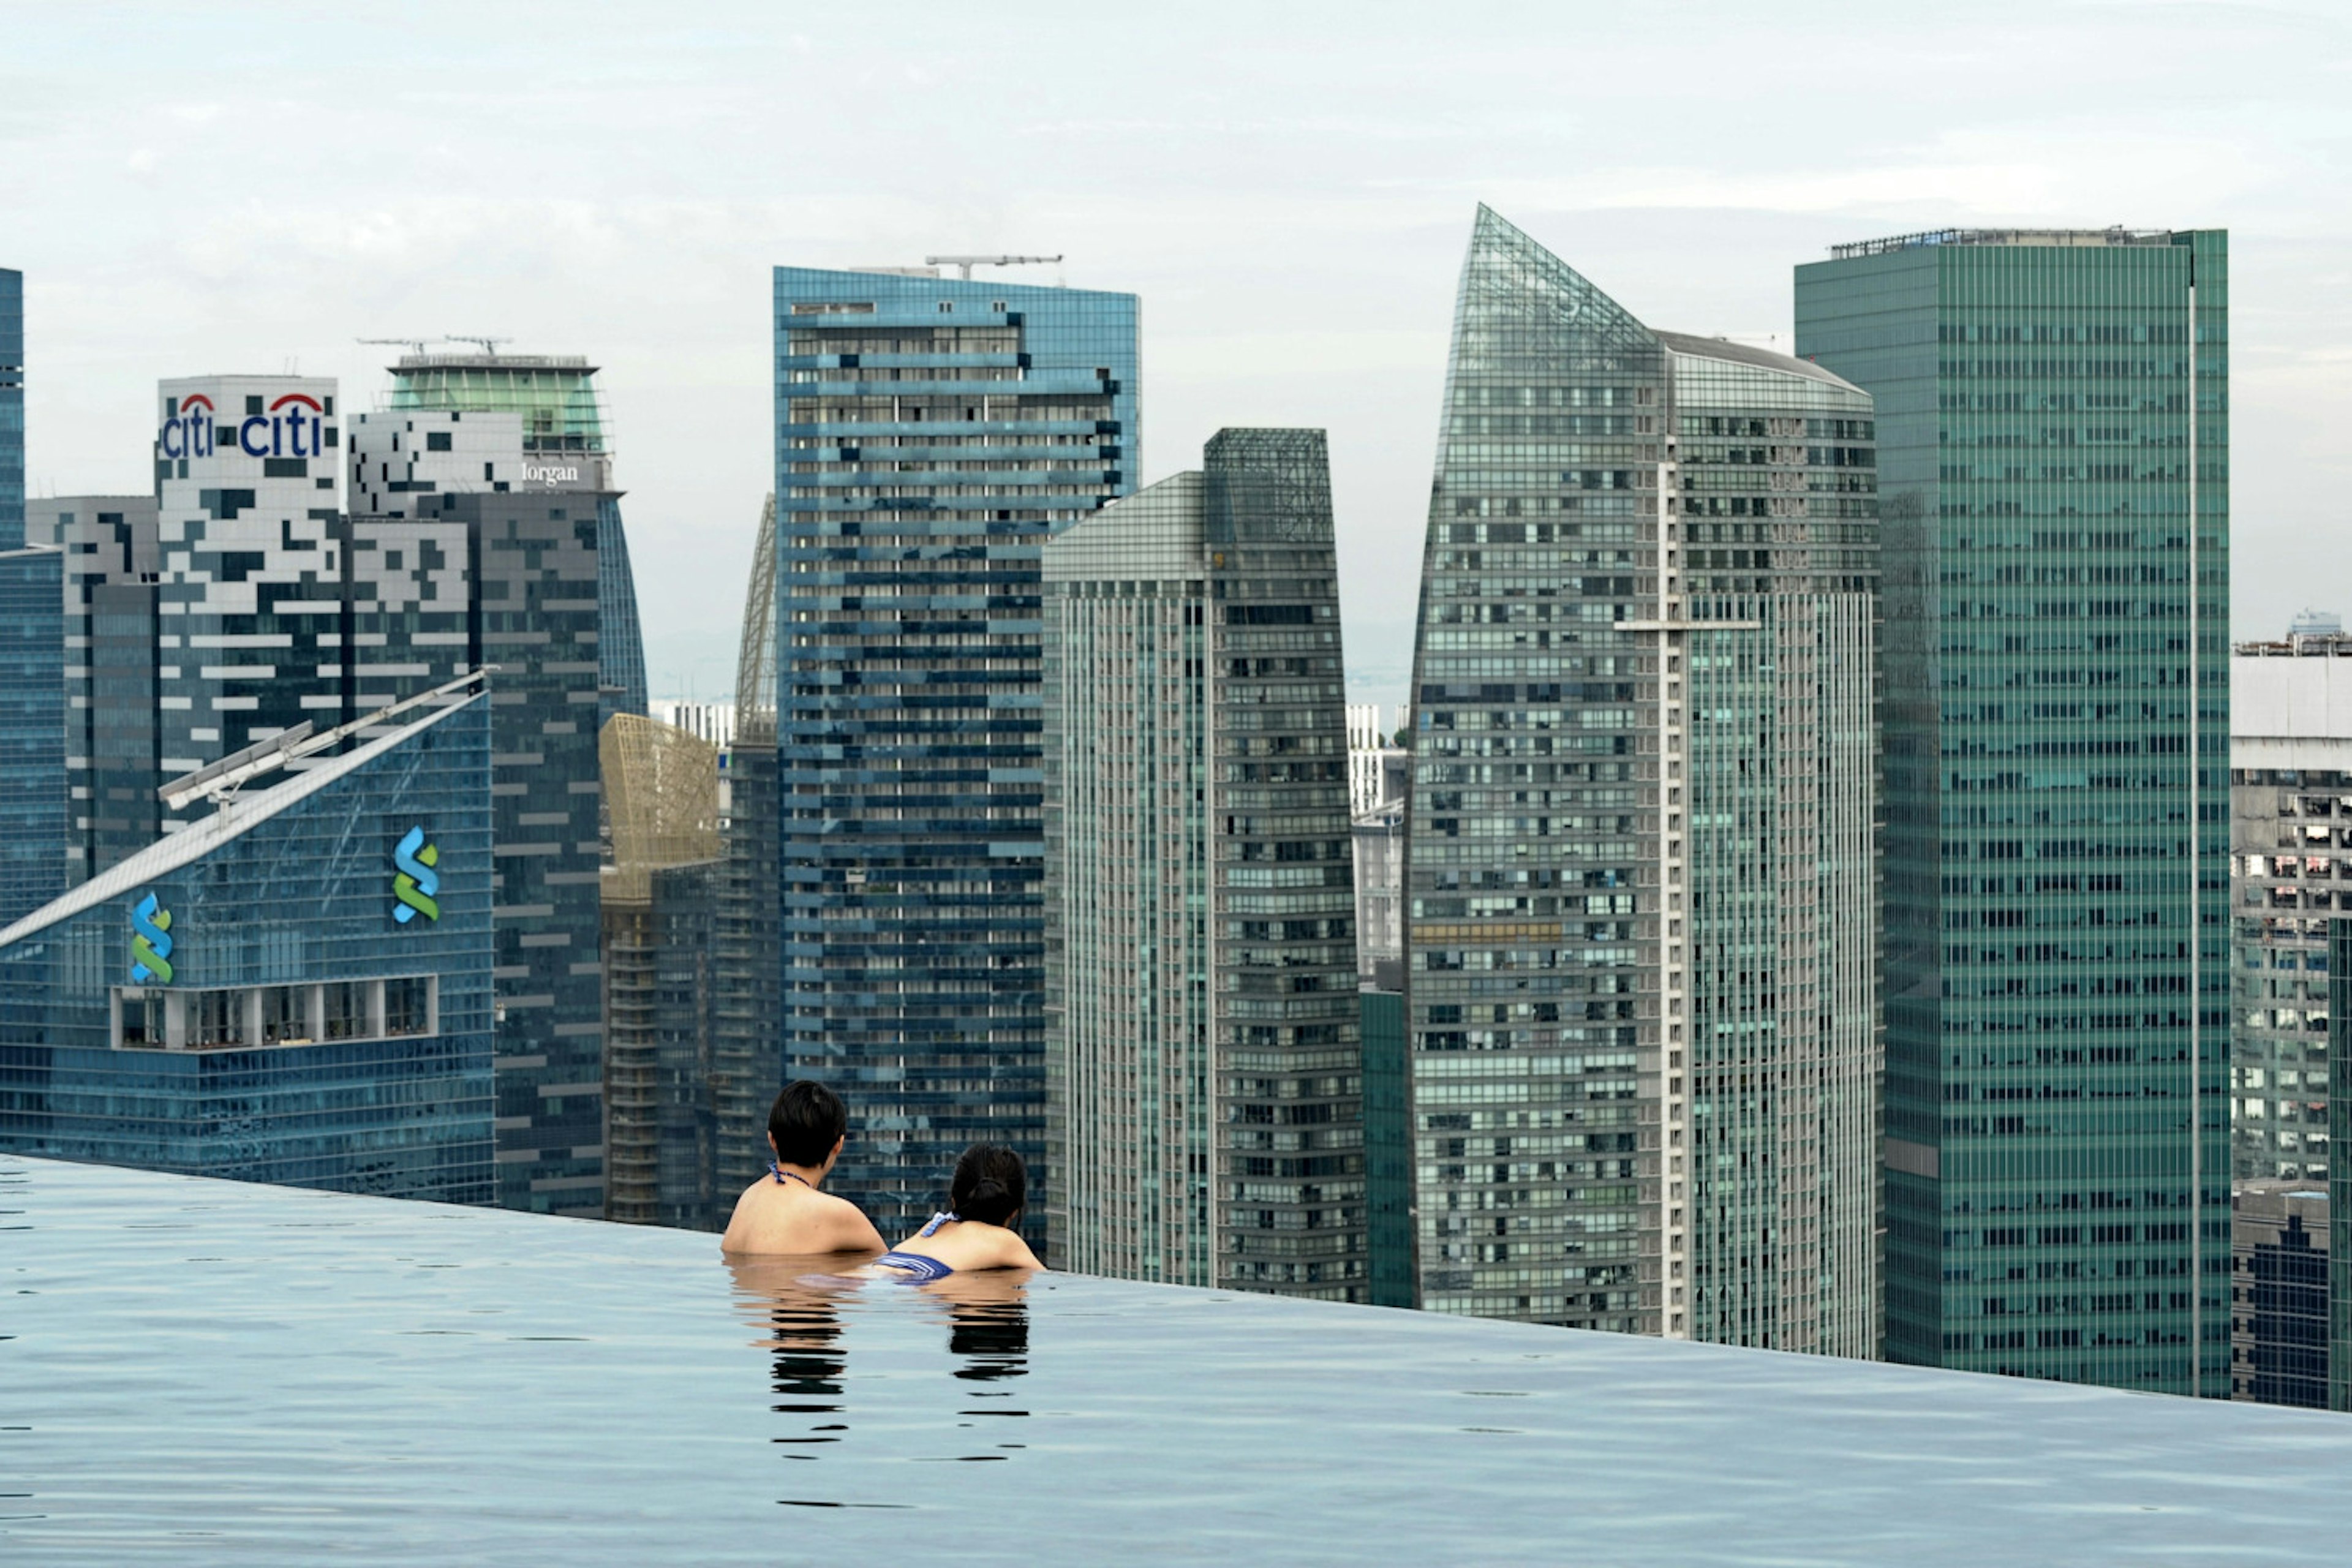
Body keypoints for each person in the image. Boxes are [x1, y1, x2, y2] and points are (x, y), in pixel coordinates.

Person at [720, 1080, 888, 1256]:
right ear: (838, 1145)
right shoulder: (836, 1213)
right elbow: (892, 1272)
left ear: (772, 1140)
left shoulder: (750, 1197)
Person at [868, 1143, 1044, 1283]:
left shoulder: (935, 1225)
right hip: (914, 1285)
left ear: (954, 1199)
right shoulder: (1005, 1240)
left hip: (874, 1273)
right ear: (1015, 1211)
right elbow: (1052, 1285)